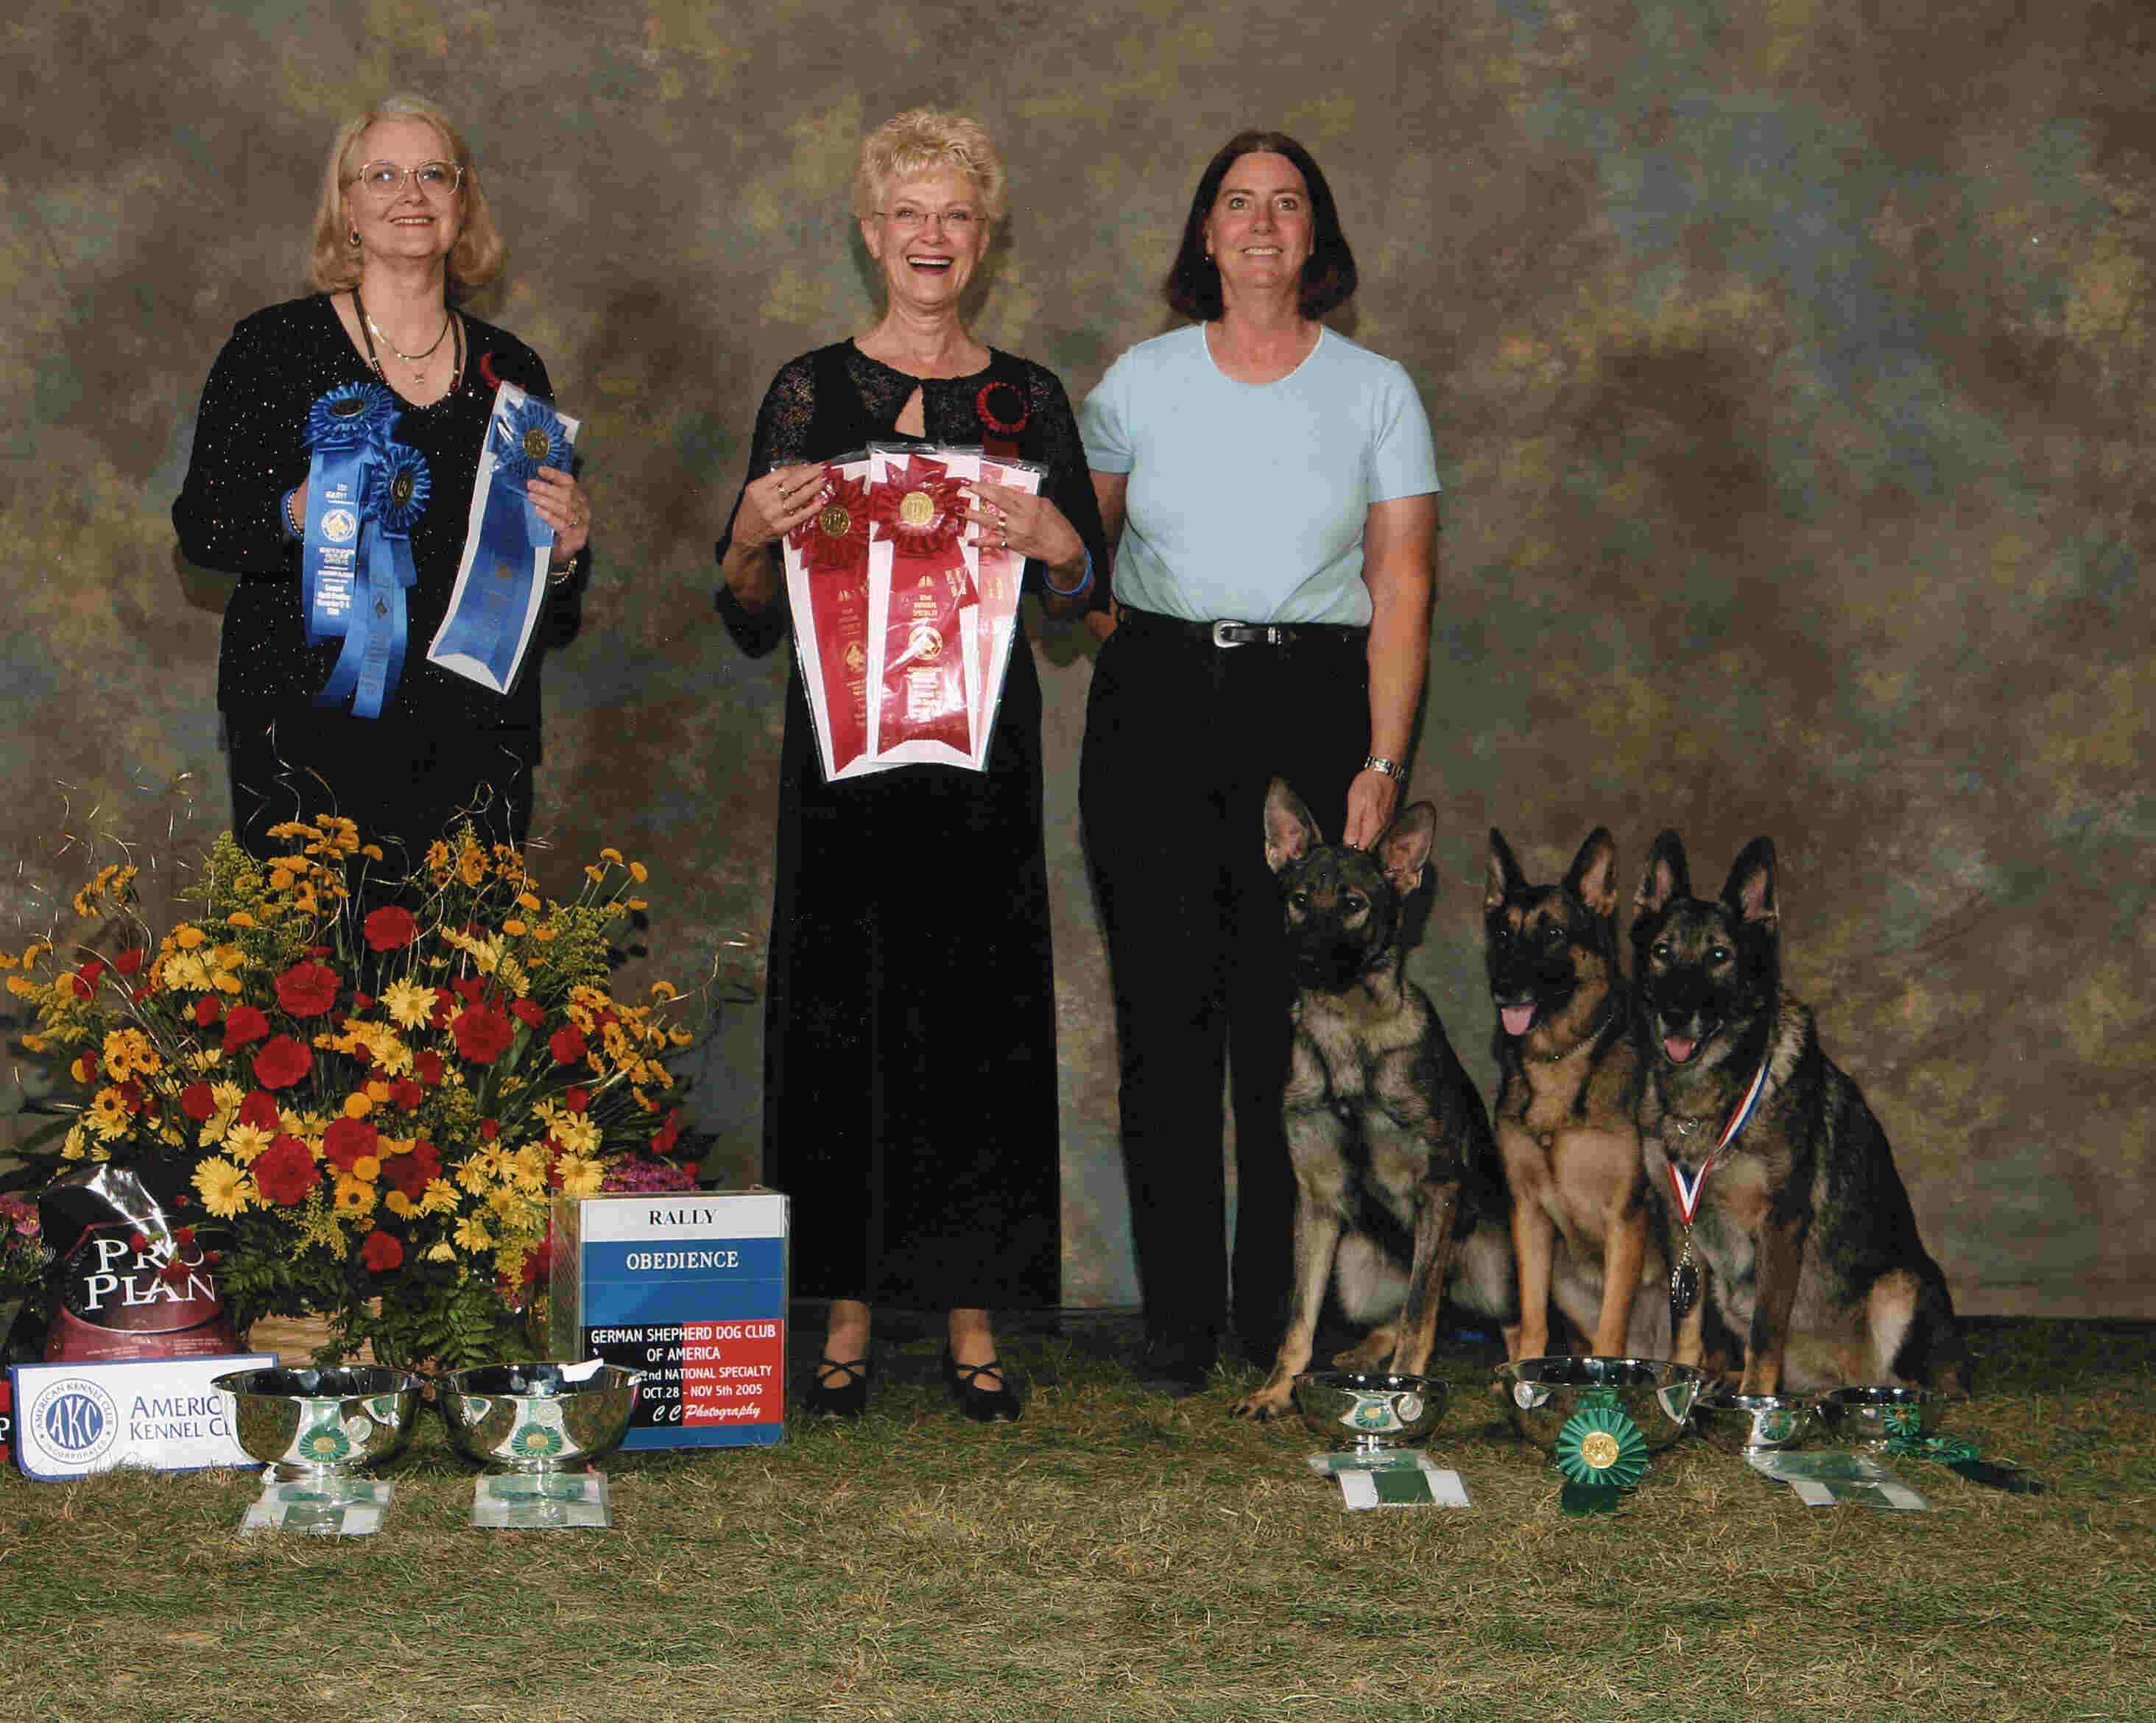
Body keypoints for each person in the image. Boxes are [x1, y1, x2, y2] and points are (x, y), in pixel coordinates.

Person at [714, 110, 1105, 1423]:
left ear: (981, 240)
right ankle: (841, 1313)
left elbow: (1075, 602)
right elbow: (745, 606)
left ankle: (975, 1315)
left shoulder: (1030, 397)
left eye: (956, 216)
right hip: (839, 766)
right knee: (841, 1018)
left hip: (978, 766)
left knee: (978, 1024)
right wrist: (746, 541)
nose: (931, 238)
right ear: (871, 234)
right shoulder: (805, 391)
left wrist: (1061, 540)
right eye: (908, 215)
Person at [1079, 130, 1442, 1393]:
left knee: (1279, 1029)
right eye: (1235, 202)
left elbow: (1401, 585)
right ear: (1202, 235)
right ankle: (1176, 1322)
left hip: (1313, 702)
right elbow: (1076, 567)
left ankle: (1266, 1315)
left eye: (1286, 204)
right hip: (1157, 700)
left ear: (1315, 238)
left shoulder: (1377, 390)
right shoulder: (1134, 381)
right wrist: (1042, 554)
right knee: (1162, 1021)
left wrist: (1382, 763)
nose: (1259, 222)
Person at [173, 94, 591, 866]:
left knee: (465, 978)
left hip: (476, 735)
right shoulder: (271, 349)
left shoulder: (515, 371)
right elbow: (203, 529)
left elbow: (546, 610)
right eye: (385, 174)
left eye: (436, 174)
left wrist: (562, 558)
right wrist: (302, 514)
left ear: (464, 207)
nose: (412, 194)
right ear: (348, 208)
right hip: (305, 729)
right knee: (310, 979)